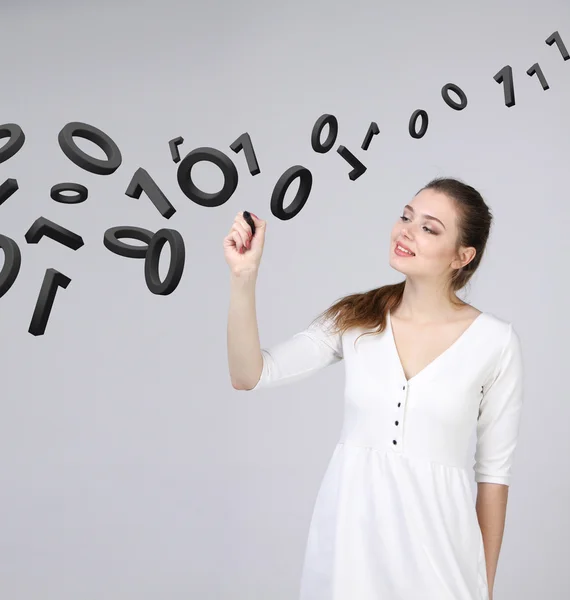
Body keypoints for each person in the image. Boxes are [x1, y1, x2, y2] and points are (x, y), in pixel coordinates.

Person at [224, 177, 524, 600]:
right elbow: (249, 374)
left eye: (429, 228)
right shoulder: (356, 318)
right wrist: (244, 277)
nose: (406, 231)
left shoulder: (495, 342)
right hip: (349, 550)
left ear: (463, 255)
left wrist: (484, 587)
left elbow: (494, 477)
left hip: (441, 556)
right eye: (406, 216)